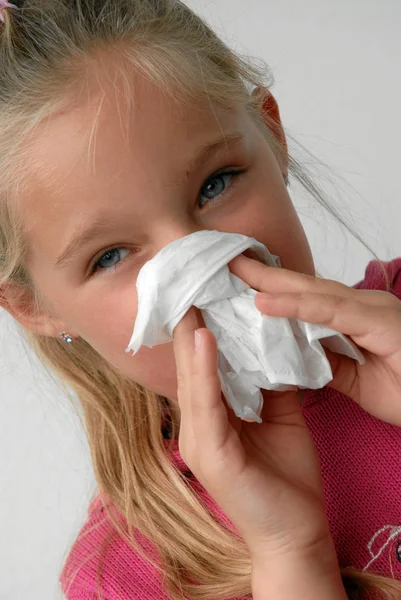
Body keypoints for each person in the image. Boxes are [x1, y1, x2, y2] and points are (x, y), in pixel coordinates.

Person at [0, 1, 401, 599]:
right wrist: (291, 556)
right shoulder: (128, 576)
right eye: (109, 256)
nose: (205, 269)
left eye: (215, 184)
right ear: (39, 308)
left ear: (273, 136)